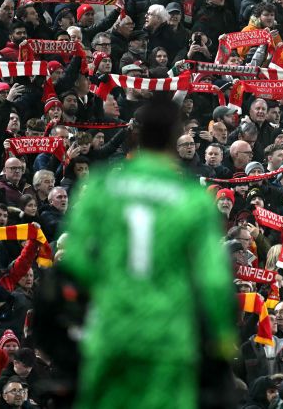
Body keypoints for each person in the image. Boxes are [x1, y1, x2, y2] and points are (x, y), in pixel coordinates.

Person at [59, 100, 236, 409]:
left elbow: (74, 263)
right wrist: (221, 341)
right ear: (174, 138)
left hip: (112, 328)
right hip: (169, 334)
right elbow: (214, 279)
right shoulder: (193, 199)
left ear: (135, 137)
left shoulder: (101, 187)